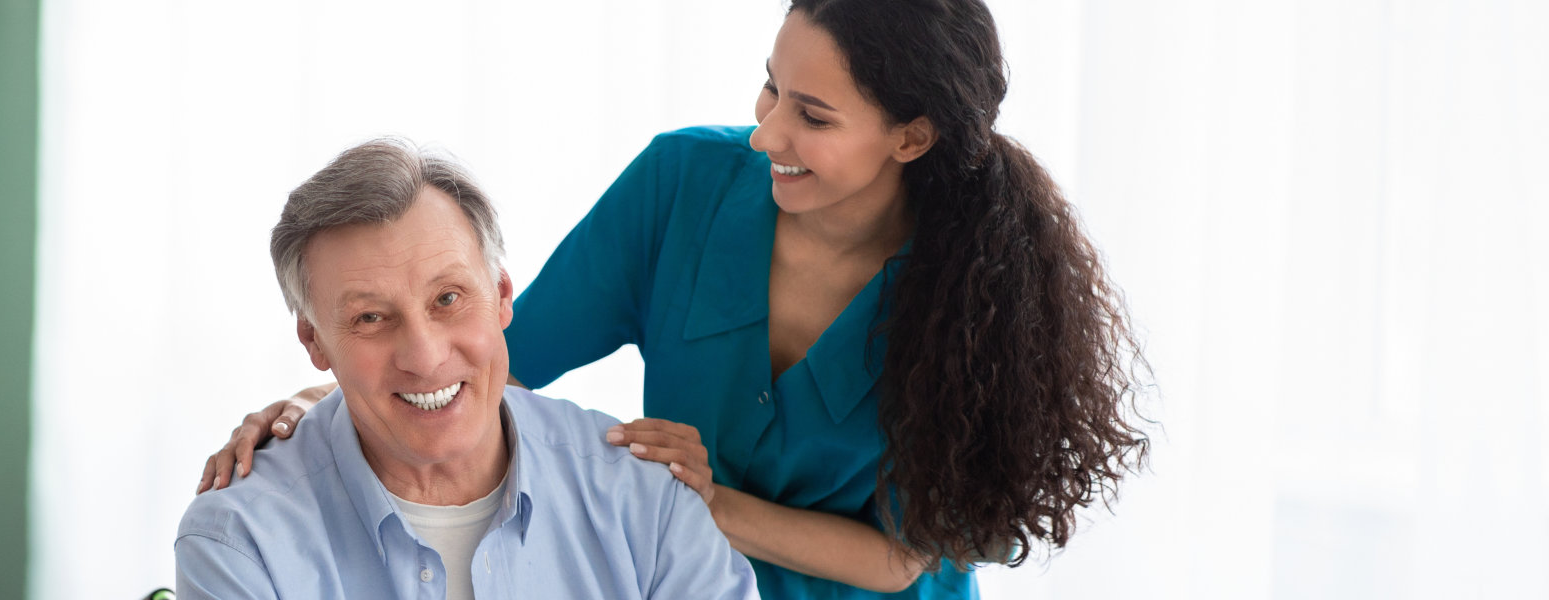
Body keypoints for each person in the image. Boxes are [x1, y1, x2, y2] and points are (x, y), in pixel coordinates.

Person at [199, 1, 1148, 598]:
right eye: (771, 89)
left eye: (812, 117)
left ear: (910, 138)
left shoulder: (968, 291)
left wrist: (679, 503)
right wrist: (313, 410)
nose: (765, 131)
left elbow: (900, 560)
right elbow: (487, 345)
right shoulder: (683, 185)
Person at [174, 138, 759, 600]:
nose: (426, 356)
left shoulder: (646, 500)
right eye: (372, 317)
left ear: (503, 295)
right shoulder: (238, 540)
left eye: (448, 299)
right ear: (313, 341)